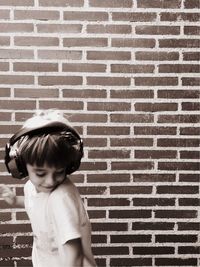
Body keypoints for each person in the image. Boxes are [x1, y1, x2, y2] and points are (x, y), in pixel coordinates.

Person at [0, 109, 96, 267]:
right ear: (21, 166)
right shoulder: (31, 187)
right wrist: (16, 200)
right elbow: (36, 203)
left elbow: (74, 252)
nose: (50, 181)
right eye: (40, 173)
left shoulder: (61, 198)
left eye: (59, 172)